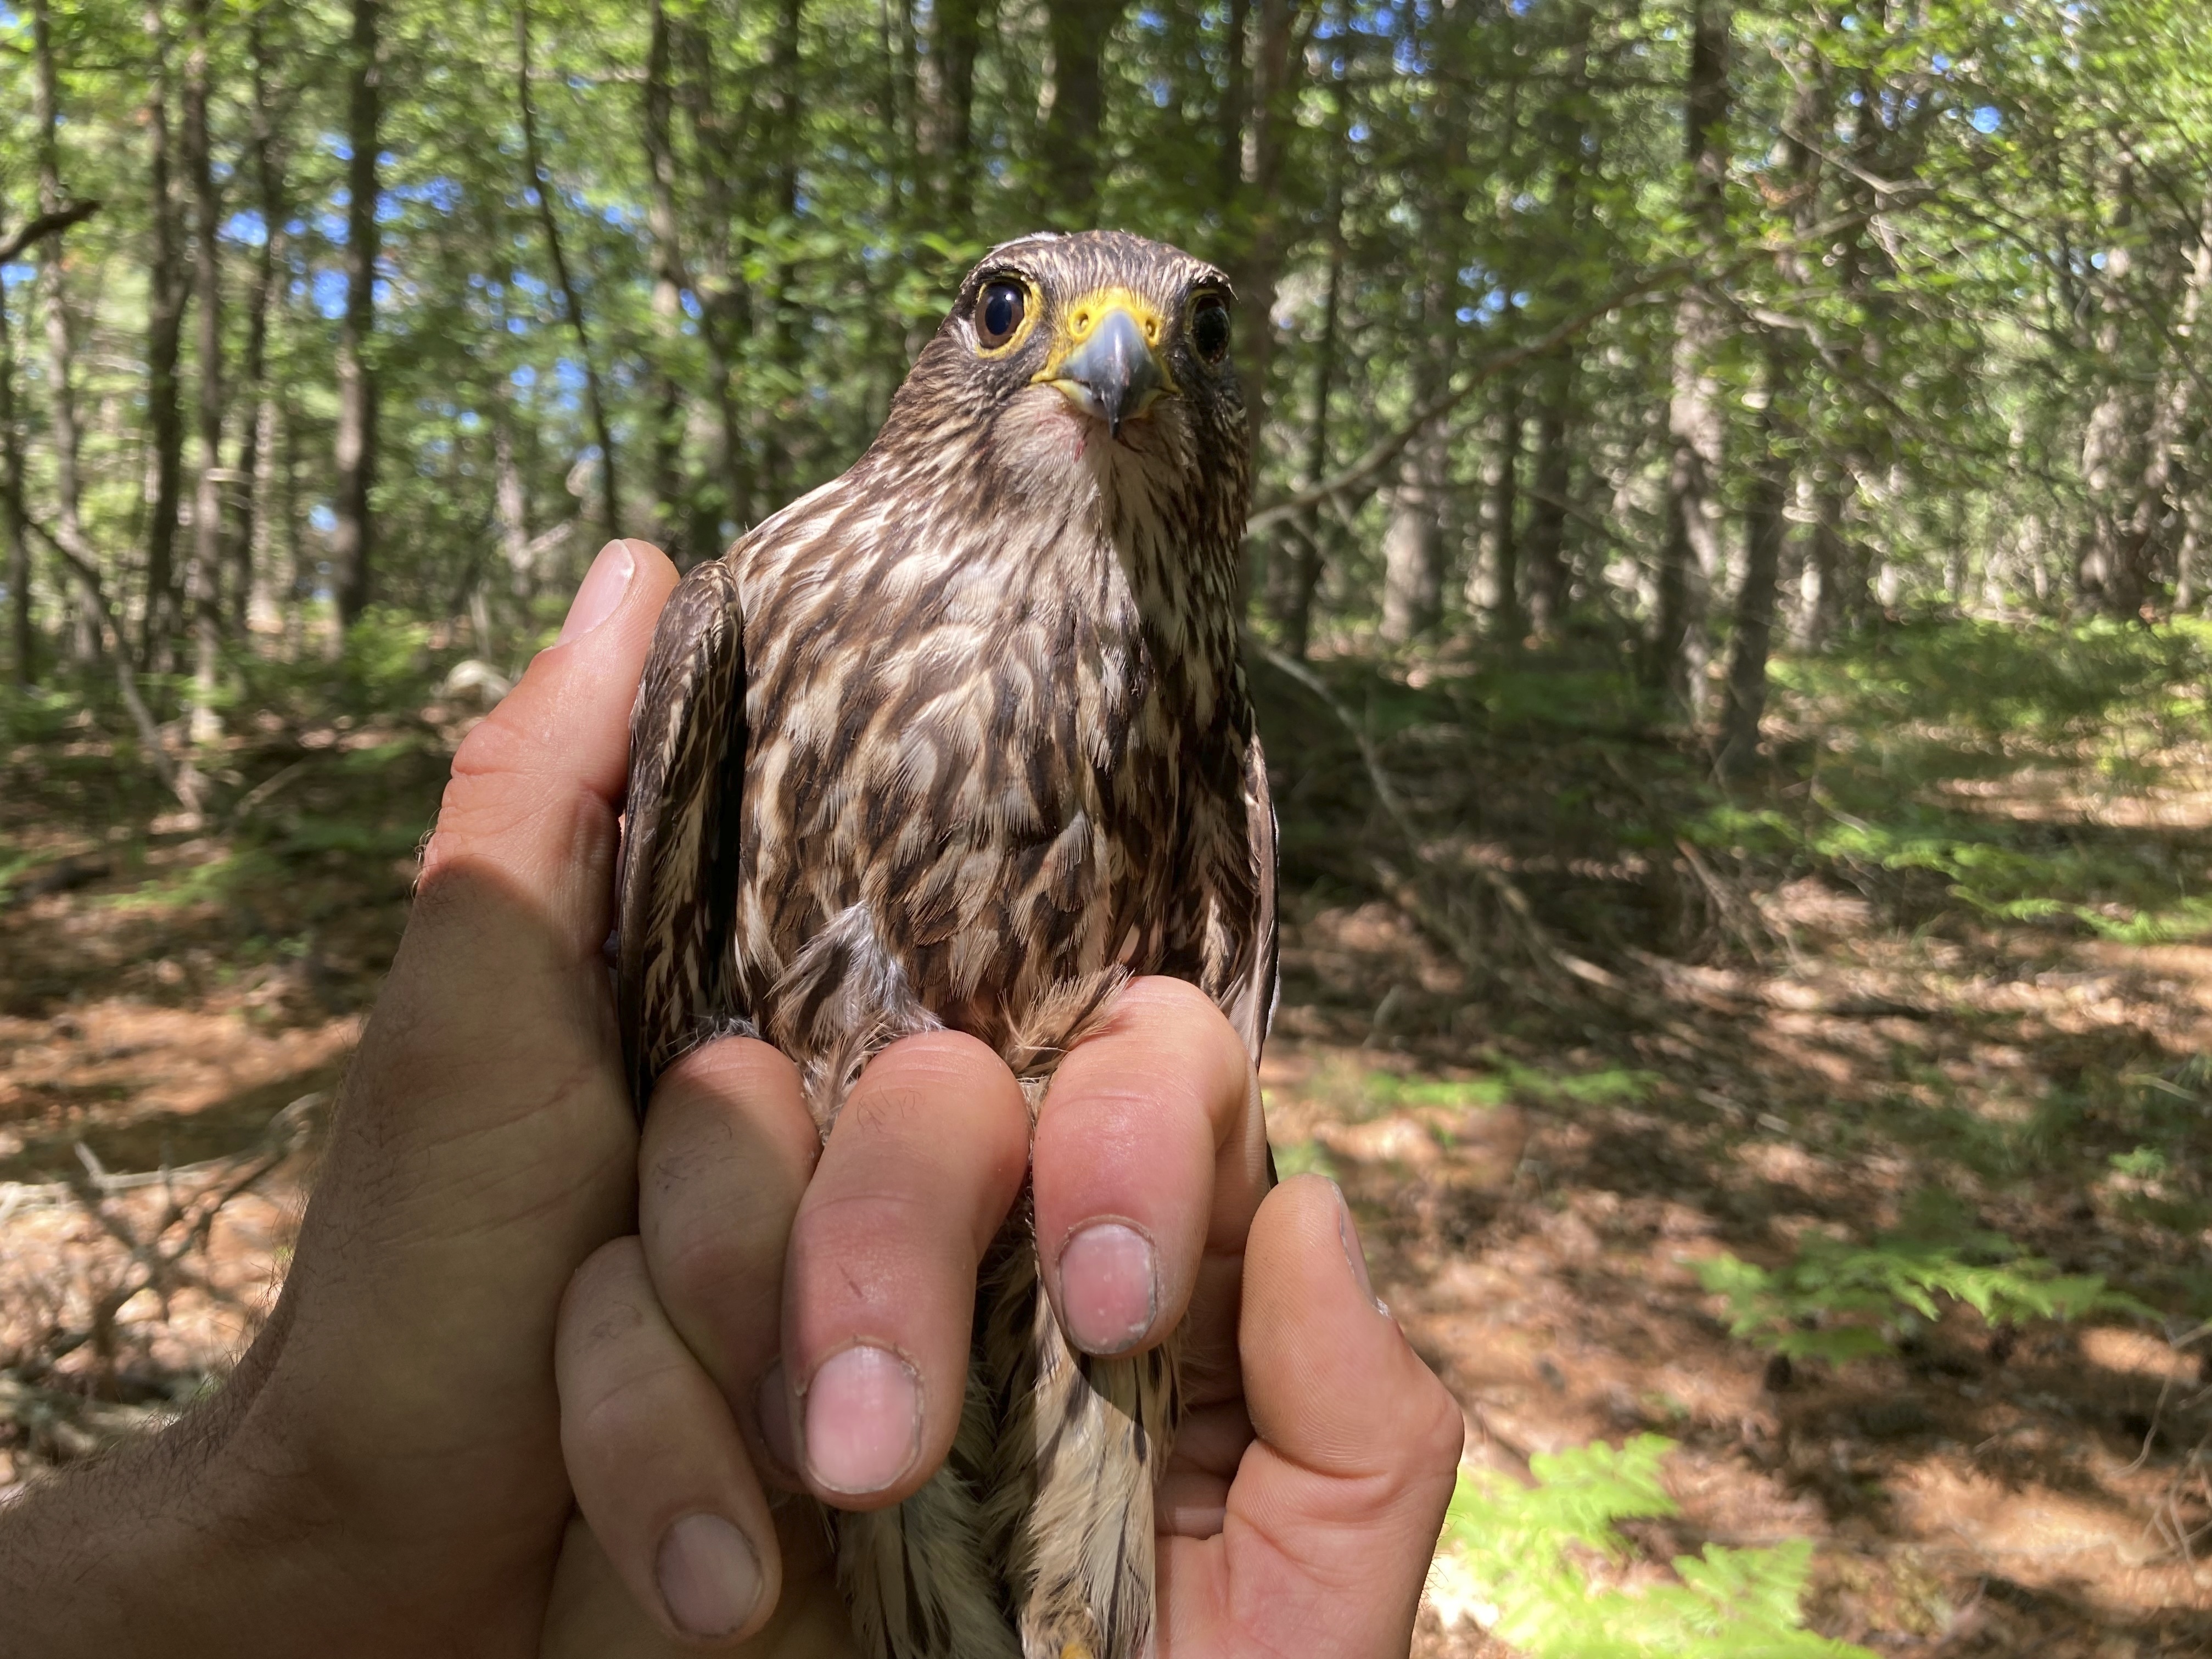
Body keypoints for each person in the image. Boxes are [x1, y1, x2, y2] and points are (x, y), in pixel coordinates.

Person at [0, 541, 1463, 1655]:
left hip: (1084, 1429)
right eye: (1011, 311)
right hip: (733, 1479)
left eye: (1196, 338)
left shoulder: (1198, 696)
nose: (1109, 356)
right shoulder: (750, 614)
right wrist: (315, 1522)